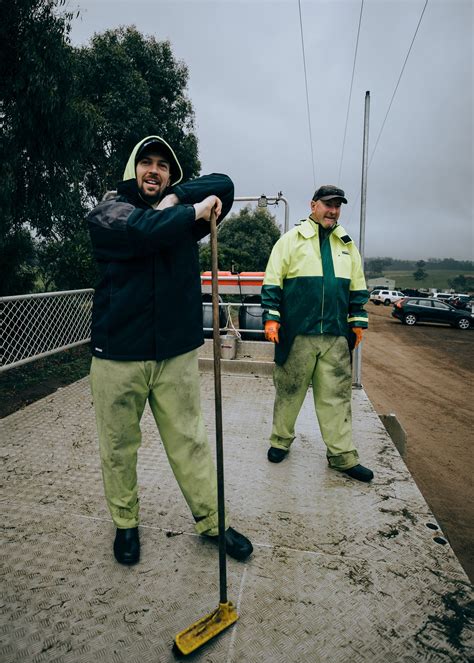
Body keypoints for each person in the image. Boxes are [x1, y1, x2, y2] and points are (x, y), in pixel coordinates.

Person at [86, 135, 253, 565]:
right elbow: (144, 232)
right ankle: (125, 526)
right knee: (118, 445)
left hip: (174, 352)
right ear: (132, 169)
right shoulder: (108, 211)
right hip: (117, 355)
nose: (154, 171)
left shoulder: (179, 211)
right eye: (146, 163)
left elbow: (226, 184)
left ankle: (213, 523)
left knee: (191, 442)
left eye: (163, 165)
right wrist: (192, 212)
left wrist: (181, 198)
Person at [261, 185, 374, 483]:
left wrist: (357, 322)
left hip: (335, 336)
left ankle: (342, 456)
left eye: (337, 205)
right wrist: (272, 320)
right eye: (328, 204)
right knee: (288, 392)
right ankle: (280, 441)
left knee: (336, 398)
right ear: (313, 205)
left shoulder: (347, 245)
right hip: (298, 333)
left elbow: (357, 289)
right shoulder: (290, 241)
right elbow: (272, 283)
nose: (333, 210)